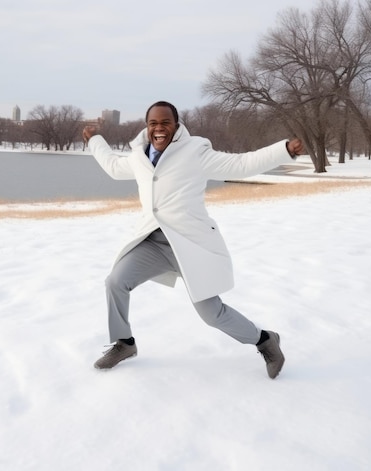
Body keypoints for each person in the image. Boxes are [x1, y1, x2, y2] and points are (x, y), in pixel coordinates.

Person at [82, 101, 305, 379]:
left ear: (177, 126)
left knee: (212, 315)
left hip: (190, 247)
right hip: (153, 242)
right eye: (153, 123)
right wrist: (96, 141)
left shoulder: (195, 152)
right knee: (115, 281)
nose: (159, 128)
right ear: (147, 126)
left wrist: (282, 150)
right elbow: (114, 167)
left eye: (165, 122)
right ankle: (124, 343)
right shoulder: (139, 155)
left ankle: (265, 341)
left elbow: (241, 164)